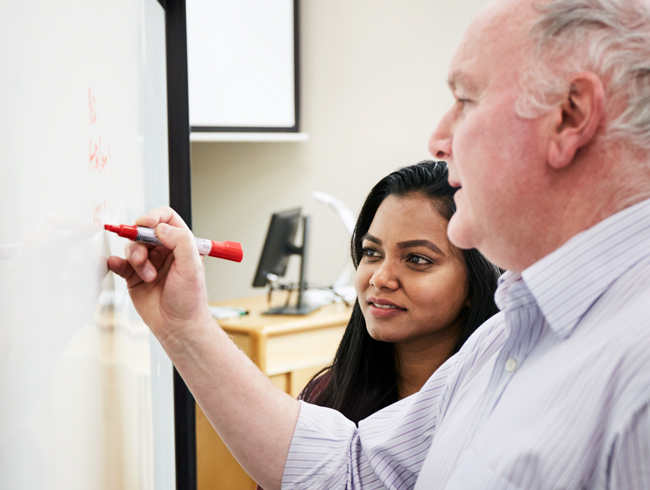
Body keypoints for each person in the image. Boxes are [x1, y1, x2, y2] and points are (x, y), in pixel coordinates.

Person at [108, 0, 650, 488]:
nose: (440, 138)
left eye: (466, 100)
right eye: (371, 251)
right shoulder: (511, 333)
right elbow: (353, 469)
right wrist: (186, 328)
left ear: (571, 115)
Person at [299, 161, 500, 423]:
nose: (380, 278)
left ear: (476, 283)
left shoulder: (499, 407)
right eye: (372, 252)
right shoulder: (323, 395)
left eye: (417, 259)